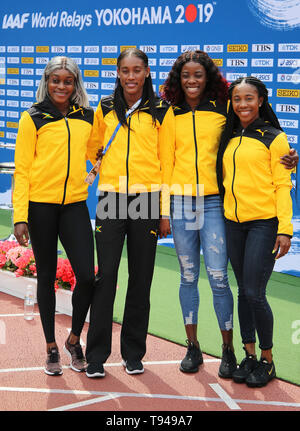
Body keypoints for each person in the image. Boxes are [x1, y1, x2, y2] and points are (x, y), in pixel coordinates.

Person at [161, 50, 298, 379]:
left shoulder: (222, 109)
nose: (192, 81)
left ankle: (230, 350)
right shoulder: (169, 113)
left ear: (208, 78)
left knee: (222, 280)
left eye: (198, 75)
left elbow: (262, 141)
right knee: (188, 277)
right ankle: (192, 347)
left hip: (213, 204)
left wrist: (289, 160)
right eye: (186, 76)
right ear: (178, 79)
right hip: (181, 204)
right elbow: (164, 163)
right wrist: (162, 209)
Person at [85, 48, 174, 377]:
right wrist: (100, 168)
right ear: (118, 73)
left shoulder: (162, 111)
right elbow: (92, 145)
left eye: (137, 70)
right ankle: (96, 355)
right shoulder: (106, 108)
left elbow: (168, 164)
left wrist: (164, 211)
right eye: (125, 70)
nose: (131, 76)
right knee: (105, 276)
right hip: (111, 197)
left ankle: (133, 352)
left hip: (148, 198)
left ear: (148, 72)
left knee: (141, 278)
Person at [13, 56, 97, 376]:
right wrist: (20, 215)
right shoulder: (32, 117)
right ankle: (50, 347)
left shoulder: (86, 117)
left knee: (87, 277)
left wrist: (92, 174)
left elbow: (97, 156)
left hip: (75, 205)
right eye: (56, 80)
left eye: (68, 80)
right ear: (46, 81)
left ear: (76, 84)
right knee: (46, 277)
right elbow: (22, 171)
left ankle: (74, 339)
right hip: (40, 207)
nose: (61, 85)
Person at [216, 76, 293, 388]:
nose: (243, 104)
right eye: (237, 99)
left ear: (261, 100)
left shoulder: (275, 138)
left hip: (264, 224)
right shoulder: (229, 135)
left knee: (254, 292)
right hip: (233, 223)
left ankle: (267, 359)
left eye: (249, 98)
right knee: (242, 291)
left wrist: (285, 230)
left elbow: (283, 186)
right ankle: (248, 355)